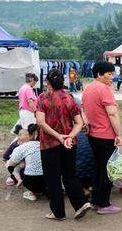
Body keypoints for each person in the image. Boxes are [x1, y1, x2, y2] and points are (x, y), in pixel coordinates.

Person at [36, 69, 92, 220]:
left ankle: (58, 212)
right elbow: (79, 123)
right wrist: (69, 136)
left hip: (49, 144)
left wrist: (58, 136)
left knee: (52, 178)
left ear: (48, 82)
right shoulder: (69, 98)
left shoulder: (43, 98)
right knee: (70, 175)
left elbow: (41, 122)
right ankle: (80, 203)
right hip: (69, 143)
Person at [82, 61, 122, 214]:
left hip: (93, 135)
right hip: (106, 136)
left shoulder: (87, 88)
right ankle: (104, 204)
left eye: (113, 74)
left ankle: (95, 200)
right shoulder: (104, 89)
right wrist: (118, 134)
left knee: (99, 169)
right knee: (107, 170)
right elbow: (112, 113)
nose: (111, 77)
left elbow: (83, 111)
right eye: (109, 74)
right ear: (99, 74)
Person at [6, 124, 44, 201]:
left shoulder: (20, 147)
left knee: (16, 166)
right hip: (50, 180)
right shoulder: (47, 145)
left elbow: (10, 164)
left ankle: (30, 191)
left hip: (31, 181)